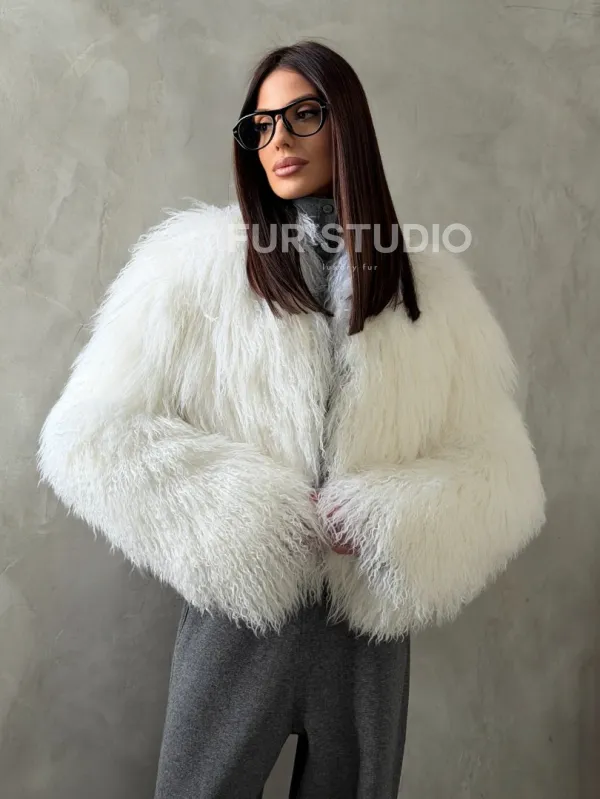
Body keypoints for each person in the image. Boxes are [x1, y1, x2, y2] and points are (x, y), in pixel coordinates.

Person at [36, 40, 546, 799]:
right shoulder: (192, 271)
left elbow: (502, 473)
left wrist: (382, 518)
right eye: (263, 124)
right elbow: (89, 435)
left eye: (304, 115)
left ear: (348, 124)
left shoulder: (431, 293)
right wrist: (256, 517)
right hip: (240, 615)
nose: (279, 139)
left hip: (366, 632)